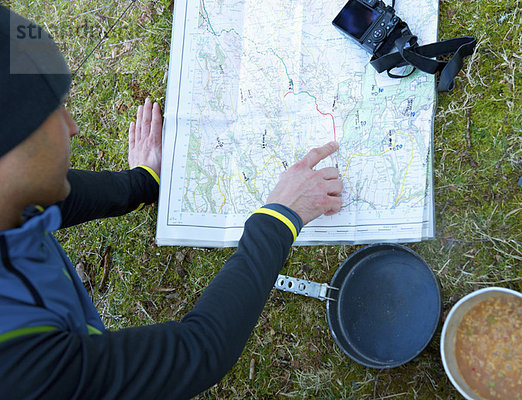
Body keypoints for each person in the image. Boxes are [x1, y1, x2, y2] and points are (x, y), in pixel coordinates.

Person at [0, 6, 343, 399]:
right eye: (54, 110)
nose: (72, 126)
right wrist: (281, 216)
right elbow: (199, 351)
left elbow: (56, 197)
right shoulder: (22, 367)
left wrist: (144, 182)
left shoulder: (12, 199)